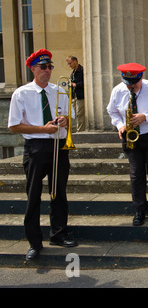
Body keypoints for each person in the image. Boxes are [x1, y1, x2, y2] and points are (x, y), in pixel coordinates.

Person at [8, 49, 78, 261]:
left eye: (50, 67)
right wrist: (42, 129)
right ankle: (34, 242)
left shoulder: (59, 90)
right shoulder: (21, 93)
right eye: (43, 67)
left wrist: (65, 120)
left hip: (58, 146)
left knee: (58, 193)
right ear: (33, 69)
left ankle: (58, 233)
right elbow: (13, 126)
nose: (47, 71)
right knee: (34, 196)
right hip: (36, 147)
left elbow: (70, 115)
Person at [107, 63, 148, 226]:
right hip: (130, 137)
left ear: (141, 78)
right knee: (136, 175)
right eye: (127, 83)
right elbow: (112, 112)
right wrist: (120, 125)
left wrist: (145, 117)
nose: (130, 87)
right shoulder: (118, 90)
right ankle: (139, 210)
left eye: (133, 84)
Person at [66, 56, 86, 132]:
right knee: (75, 115)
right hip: (74, 96)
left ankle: (80, 130)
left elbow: (85, 83)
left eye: (70, 63)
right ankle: (78, 129)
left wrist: (75, 85)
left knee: (79, 114)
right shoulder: (73, 72)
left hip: (80, 96)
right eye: (68, 64)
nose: (69, 65)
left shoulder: (82, 70)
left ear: (75, 61)